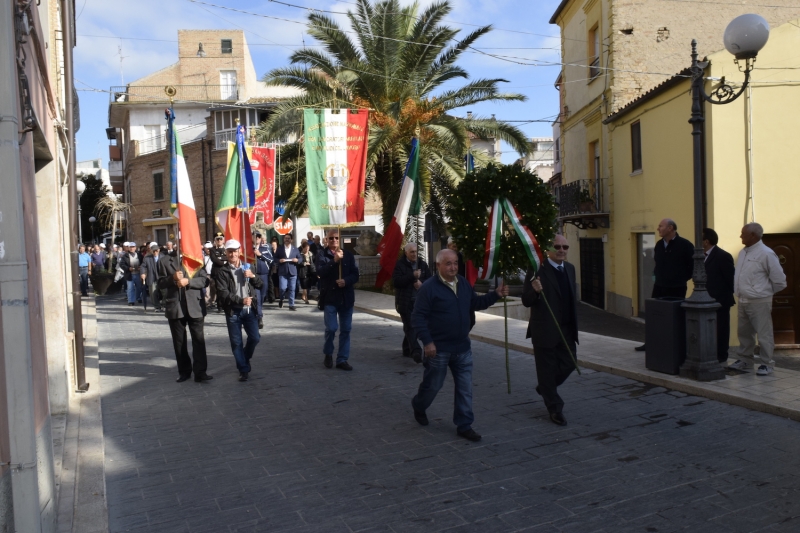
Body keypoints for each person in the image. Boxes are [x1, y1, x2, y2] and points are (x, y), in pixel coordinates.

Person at [410, 248, 508, 441]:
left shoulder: (463, 283)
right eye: (448, 263)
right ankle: (419, 405)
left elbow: (475, 303)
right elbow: (417, 317)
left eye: (455, 263)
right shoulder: (428, 288)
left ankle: (464, 424)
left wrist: (495, 294)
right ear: (438, 266)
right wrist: (427, 342)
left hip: (462, 347)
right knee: (433, 385)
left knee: (465, 388)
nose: (453, 267)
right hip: (438, 349)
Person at [522, 234, 579, 426]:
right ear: (548, 249)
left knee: (570, 363)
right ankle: (555, 408)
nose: (562, 250)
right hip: (545, 329)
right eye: (557, 246)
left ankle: (545, 387)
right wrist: (535, 291)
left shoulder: (570, 269)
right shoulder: (537, 269)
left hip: (567, 329)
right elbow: (526, 300)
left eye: (565, 247)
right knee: (546, 369)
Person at [728, 223, 787, 376]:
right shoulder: (743, 253)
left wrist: (763, 292)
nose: (740, 236)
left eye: (743, 233)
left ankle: (767, 363)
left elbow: (780, 281)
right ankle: (745, 361)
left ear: (753, 235)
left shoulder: (766, 253)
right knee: (744, 333)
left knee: (764, 333)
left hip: (759, 301)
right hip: (743, 300)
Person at [635, 218, 694, 351]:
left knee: (674, 317)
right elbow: (658, 263)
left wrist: (681, 278)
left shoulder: (684, 245)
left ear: (670, 228)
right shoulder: (659, 245)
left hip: (677, 288)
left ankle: (674, 345)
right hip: (660, 286)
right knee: (655, 315)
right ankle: (651, 342)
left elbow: (693, 266)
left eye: (661, 226)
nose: (658, 229)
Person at [157, 251, 212, 383]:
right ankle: (184, 371)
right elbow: (160, 283)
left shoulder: (196, 259)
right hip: (175, 306)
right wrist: (173, 278)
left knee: (198, 340)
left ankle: (200, 372)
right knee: (179, 342)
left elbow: (205, 280)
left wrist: (189, 281)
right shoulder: (164, 260)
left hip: (195, 305)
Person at [215, 239, 263, 382]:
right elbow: (223, 293)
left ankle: (244, 357)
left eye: (235, 251)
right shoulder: (223, 271)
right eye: (230, 251)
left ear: (239, 252)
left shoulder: (248, 267)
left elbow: (260, 285)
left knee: (255, 338)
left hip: (249, 310)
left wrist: (252, 276)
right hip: (233, 311)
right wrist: (240, 300)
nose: (232, 254)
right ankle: (243, 369)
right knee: (236, 342)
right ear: (226, 253)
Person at [317, 229, 359, 370]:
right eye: (331, 238)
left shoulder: (348, 255)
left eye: (336, 238)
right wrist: (334, 261)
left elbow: (355, 275)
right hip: (330, 297)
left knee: (346, 329)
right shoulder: (322, 254)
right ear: (327, 240)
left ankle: (342, 359)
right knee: (331, 328)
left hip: (346, 298)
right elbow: (320, 272)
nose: (334, 240)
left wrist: (346, 281)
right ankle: (328, 353)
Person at [392, 242, 432, 363]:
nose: (414, 254)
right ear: (406, 253)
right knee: (410, 326)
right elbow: (396, 282)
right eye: (412, 252)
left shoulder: (422, 264)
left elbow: (430, 280)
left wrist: (422, 283)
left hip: (419, 302)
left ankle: (406, 348)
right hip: (405, 301)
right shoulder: (400, 265)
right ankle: (416, 351)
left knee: (412, 326)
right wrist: (412, 276)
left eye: (416, 252)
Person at [702, 228, 736, 363]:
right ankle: (709, 352)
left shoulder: (723, 256)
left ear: (706, 241)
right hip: (705, 300)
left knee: (721, 329)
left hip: (720, 300)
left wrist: (724, 297)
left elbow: (730, 279)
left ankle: (721, 355)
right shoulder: (700, 256)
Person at [274, 233, 301, 310]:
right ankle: (281, 299)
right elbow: (274, 258)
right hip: (283, 272)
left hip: (292, 272)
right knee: (282, 288)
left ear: (291, 240)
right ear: (283, 239)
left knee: (292, 289)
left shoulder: (295, 249)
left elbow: (300, 258)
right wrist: (279, 260)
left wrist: (297, 260)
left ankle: (291, 305)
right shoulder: (280, 249)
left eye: (289, 238)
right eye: (286, 238)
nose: (287, 239)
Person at [253, 233, 274, 327]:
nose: (256, 239)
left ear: (260, 238)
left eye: (258, 237)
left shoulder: (265, 248)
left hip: (264, 274)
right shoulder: (250, 249)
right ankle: (259, 317)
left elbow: (271, 260)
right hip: (254, 275)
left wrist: (260, 255)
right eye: (255, 237)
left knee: (262, 296)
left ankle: (258, 312)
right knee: (257, 297)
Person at [118, 242, 143, 306]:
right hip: (130, 274)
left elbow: (143, 263)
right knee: (130, 288)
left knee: (139, 287)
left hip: (138, 273)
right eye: (130, 247)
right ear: (128, 248)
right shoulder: (125, 256)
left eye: (133, 247)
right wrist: (128, 268)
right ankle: (131, 301)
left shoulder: (139, 255)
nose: (132, 248)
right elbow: (121, 264)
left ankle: (138, 297)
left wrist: (141, 267)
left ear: (135, 248)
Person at [209, 232, 228, 313]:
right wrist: (223, 261)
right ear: (215, 240)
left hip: (225, 272)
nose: (219, 240)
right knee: (218, 289)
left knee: (226, 288)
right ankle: (220, 306)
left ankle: (226, 304)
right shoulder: (212, 250)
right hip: (216, 272)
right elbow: (214, 259)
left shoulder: (226, 249)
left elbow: (228, 258)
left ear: (223, 240)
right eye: (217, 239)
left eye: (221, 239)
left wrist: (221, 258)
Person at [140, 243, 163, 312]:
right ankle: (157, 306)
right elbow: (143, 266)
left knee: (165, 292)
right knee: (153, 292)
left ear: (159, 250)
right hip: (152, 277)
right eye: (153, 251)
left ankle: (164, 305)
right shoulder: (147, 258)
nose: (155, 252)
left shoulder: (163, 257)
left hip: (162, 277)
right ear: (151, 251)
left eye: (156, 251)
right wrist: (143, 273)